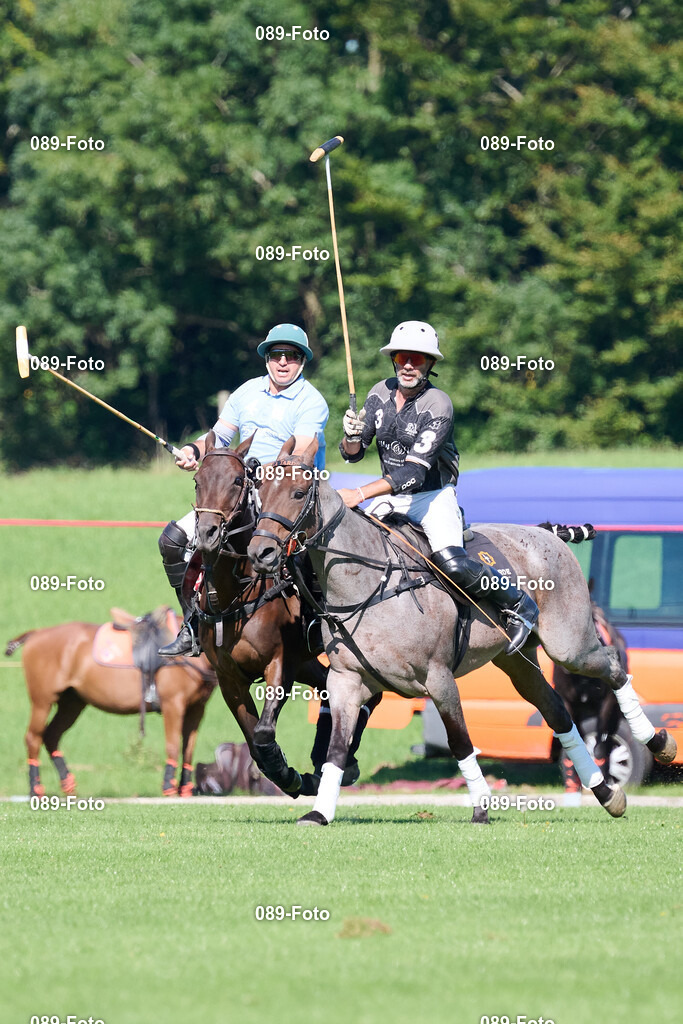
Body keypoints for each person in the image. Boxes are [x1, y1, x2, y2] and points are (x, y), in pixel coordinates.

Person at [337, 320, 538, 654]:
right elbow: (352, 455)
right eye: (403, 357)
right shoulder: (377, 393)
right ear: (394, 359)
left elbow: (413, 474)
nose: (409, 365)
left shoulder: (438, 403)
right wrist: (352, 435)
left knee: (452, 562)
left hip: (432, 496)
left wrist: (357, 494)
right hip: (392, 498)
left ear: (430, 364)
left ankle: (519, 603)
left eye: (419, 359)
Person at [158, 323, 328, 656]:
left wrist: (261, 473)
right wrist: (193, 451)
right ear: (266, 358)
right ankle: (192, 623)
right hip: (241, 490)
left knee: (308, 560)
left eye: (291, 356)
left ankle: (316, 627)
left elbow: (300, 454)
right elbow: (218, 437)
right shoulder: (247, 391)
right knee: (173, 541)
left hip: (288, 494)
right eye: (276, 354)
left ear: (302, 362)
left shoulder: (312, 402)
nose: (283, 362)